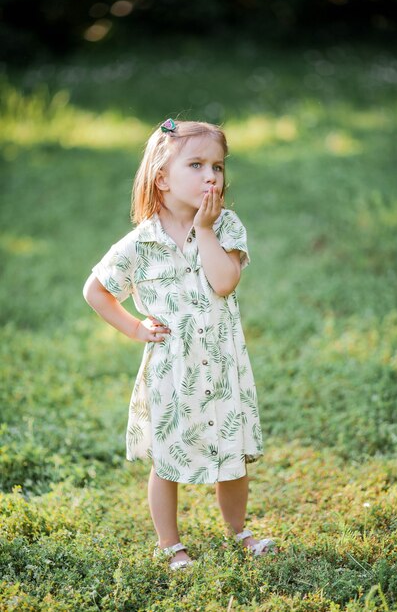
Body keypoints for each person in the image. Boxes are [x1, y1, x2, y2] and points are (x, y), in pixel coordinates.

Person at [83, 118, 276, 570]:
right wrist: (133, 328)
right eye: (197, 164)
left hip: (223, 371)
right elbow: (96, 291)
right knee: (166, 462)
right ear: (162, 178)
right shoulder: (140, 243)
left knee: (232, 456)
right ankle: (170, 543)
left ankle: (239, 531)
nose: (212, 176)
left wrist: (204, 231)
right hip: (171, 372)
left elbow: (225, 282)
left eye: (218, 167)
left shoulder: (226, 226)